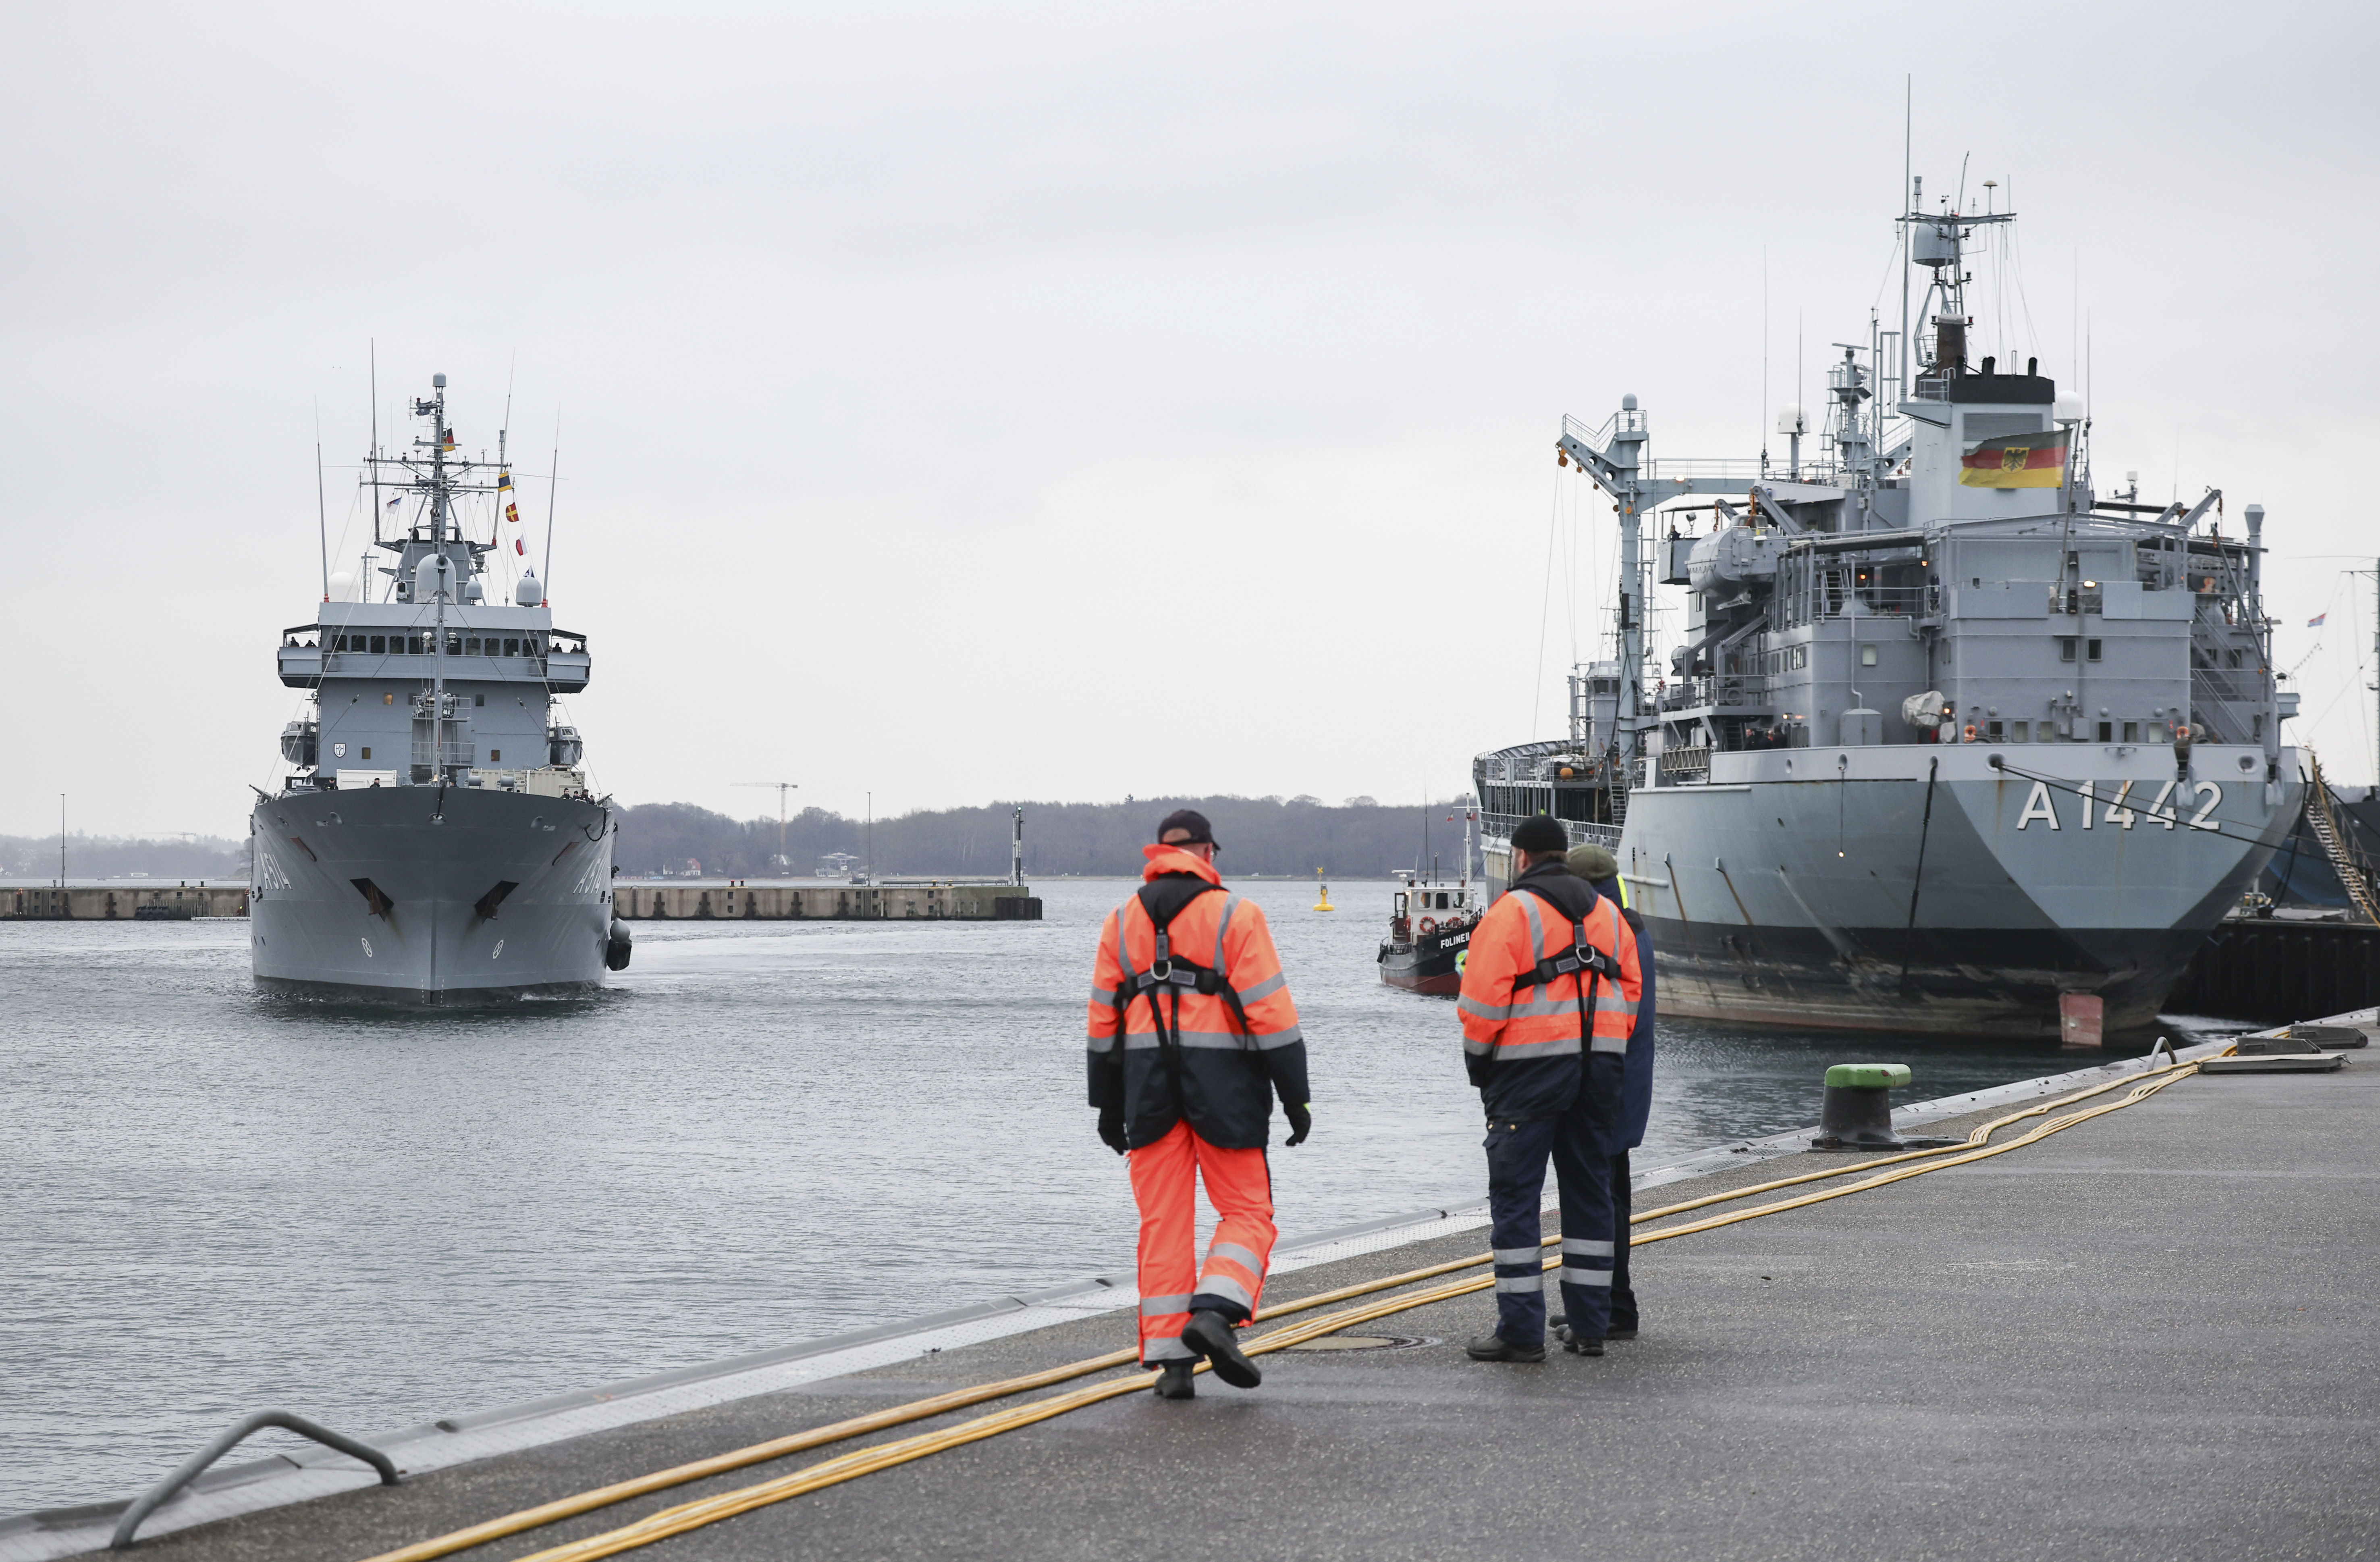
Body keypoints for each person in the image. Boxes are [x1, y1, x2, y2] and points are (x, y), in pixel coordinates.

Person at [1087, 809, 1313, 1400]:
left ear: (1158, 852)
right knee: (1246, 1210)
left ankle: (1173, 1365)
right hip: (1227, 1091)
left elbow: (1101, 1023)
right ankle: (1217, 1309)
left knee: (1163, 1224)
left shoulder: (1119, 920)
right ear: (1208, 852)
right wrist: (1296, 1096)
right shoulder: (1237, 915)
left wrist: (1106, 1107)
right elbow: (1272, 1012)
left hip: (1146, 1094)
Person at [1457, 815, 1641, 1363]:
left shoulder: (1509, 913)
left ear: (1520, 858)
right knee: (1590, 1195)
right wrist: (1606, 1046)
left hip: (1527, 1075)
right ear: (1562, 854)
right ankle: (1589, 1326)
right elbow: (1629, 991)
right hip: (1599, 1074)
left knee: (1516, 1198)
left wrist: (1480, 1067)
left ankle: (1520, 1331)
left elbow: (1481, 1004)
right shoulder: (1608, 914)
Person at [1564, 841, 1655, 1342]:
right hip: (1626, 1084)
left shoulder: (1608, 934)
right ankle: (1603, 1301)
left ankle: (1614, 1307)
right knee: (1610, 1193)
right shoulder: (1634, 926)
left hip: (1607, 1087)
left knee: (1603, 1200)